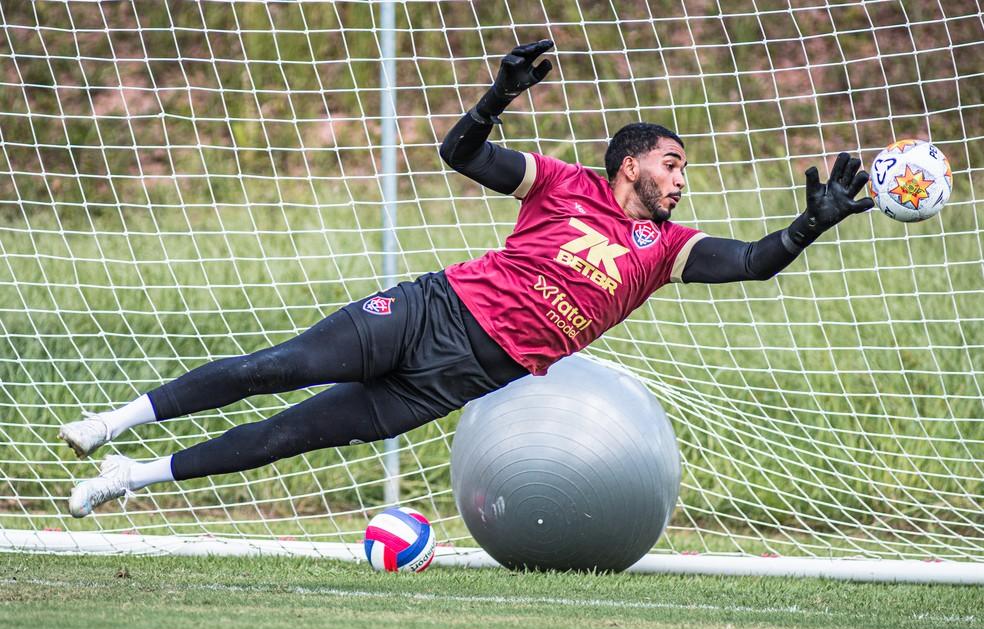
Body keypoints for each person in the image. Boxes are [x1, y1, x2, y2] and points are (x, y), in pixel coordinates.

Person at [64, 40, 874, 517]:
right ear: (631, 163)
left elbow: (756, 262)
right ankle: (114, 422)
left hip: (461, 379)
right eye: (672, 164)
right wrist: (498, 95)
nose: (681, 180)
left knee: (290, 436)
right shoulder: (562, 182)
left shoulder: (667, 250)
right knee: (274, 367)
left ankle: (130, 478)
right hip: (429, 313)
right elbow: (461, 154)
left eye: (683, 171)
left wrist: (813, 223)